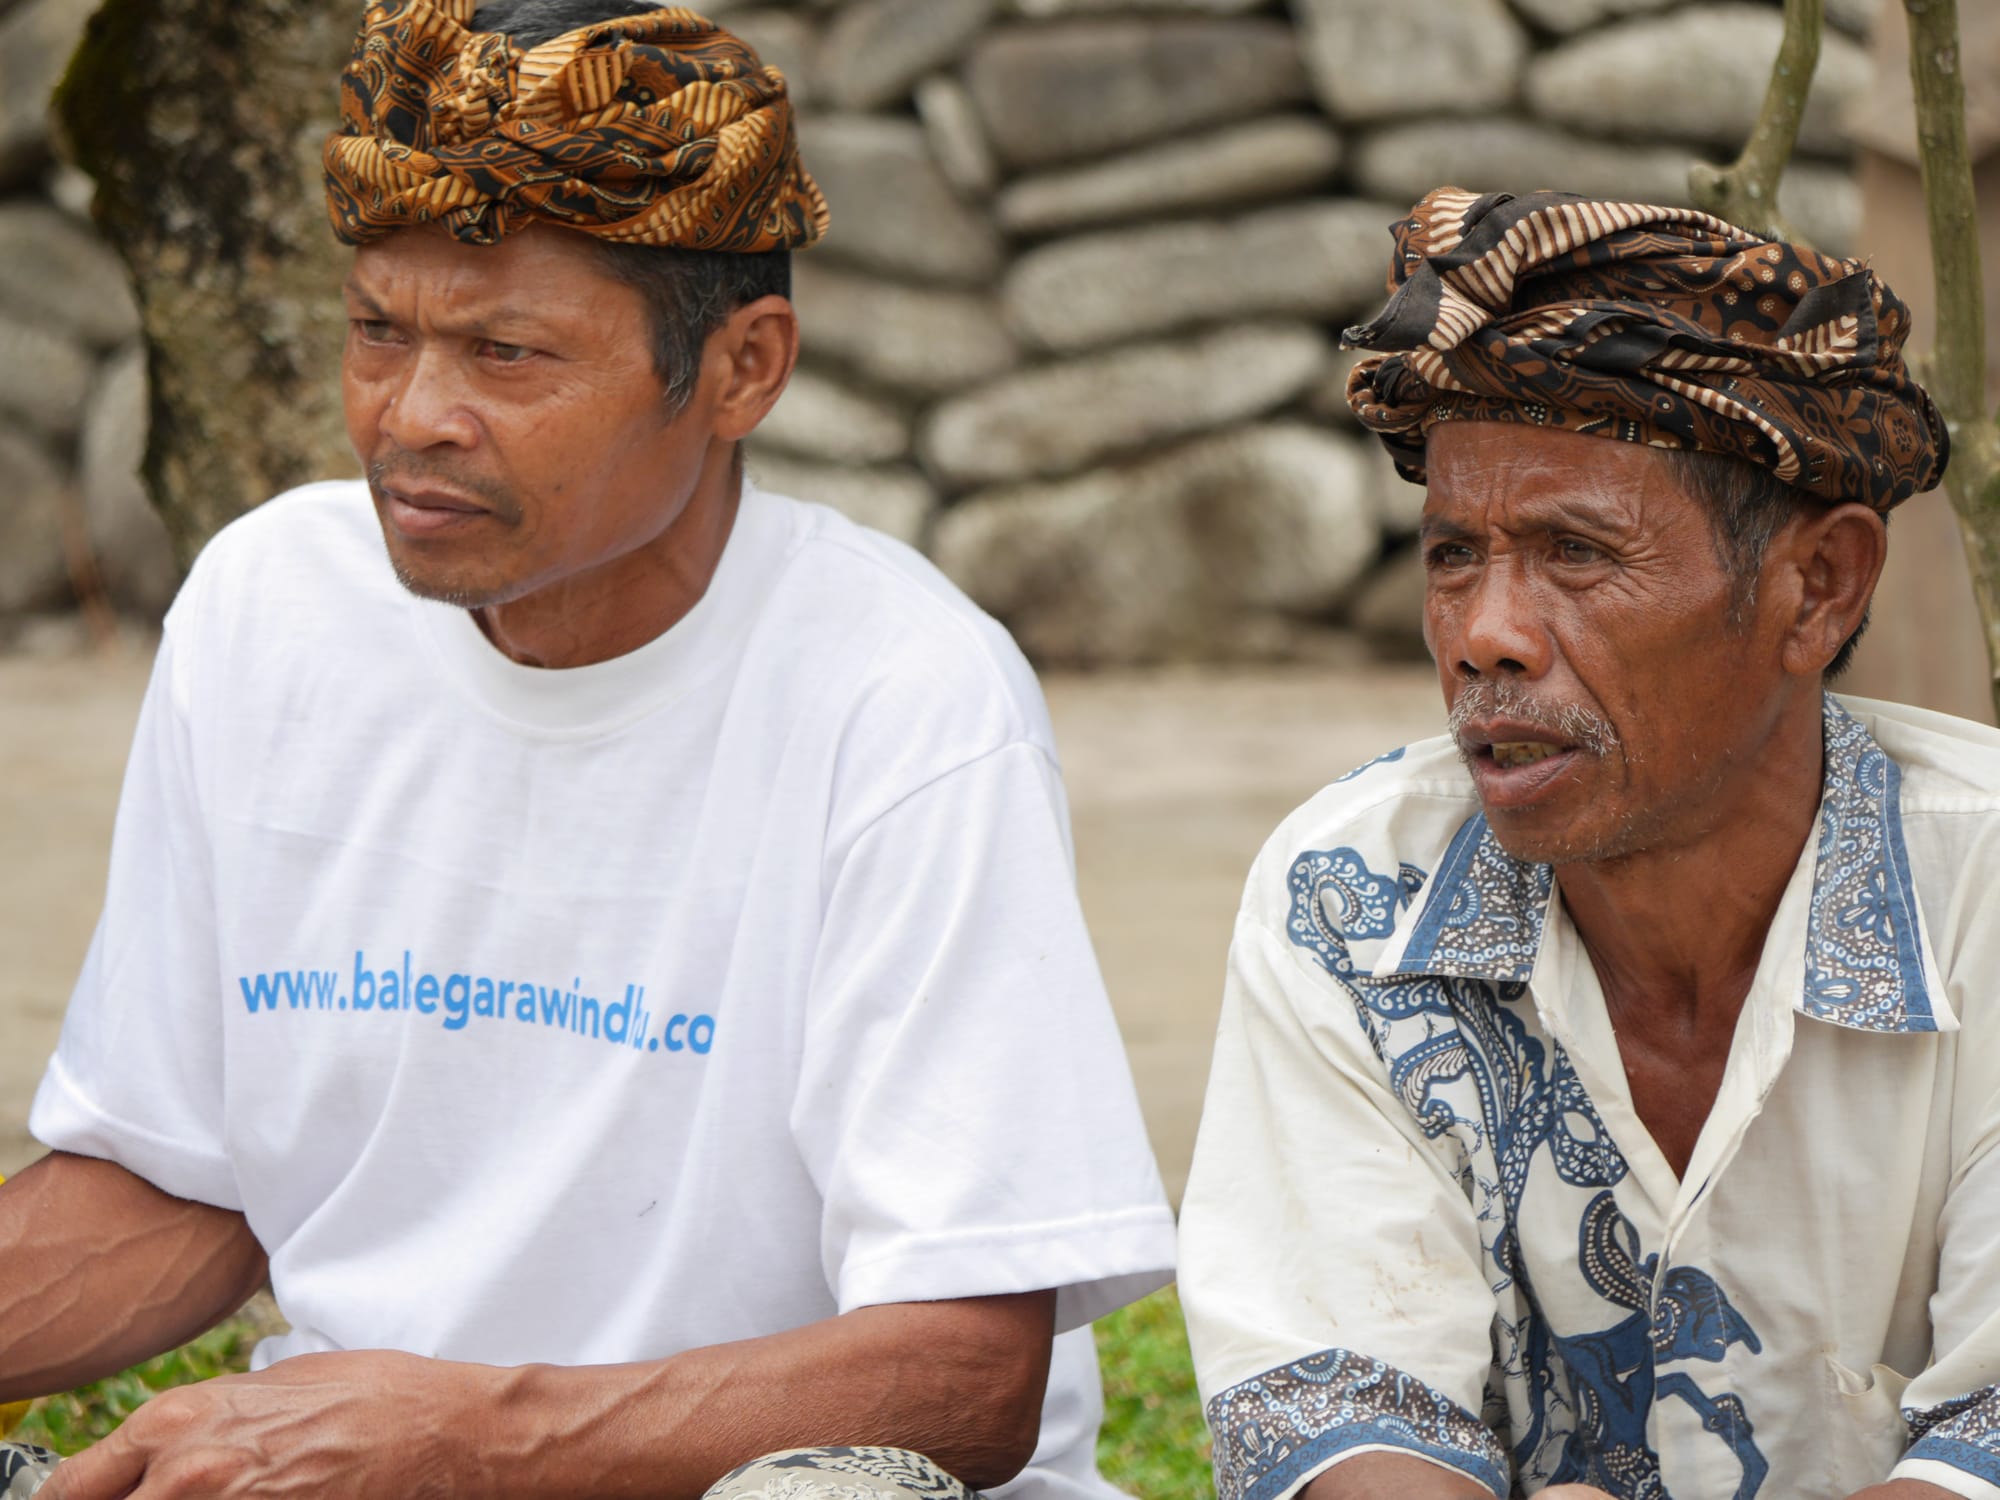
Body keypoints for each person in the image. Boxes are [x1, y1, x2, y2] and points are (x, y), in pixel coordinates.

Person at [0, 4, 1176, 1498]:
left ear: (743, 371)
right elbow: (178, 1192)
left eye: (505, 352)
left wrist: (461, 1437)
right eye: (379, 330)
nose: (411, 416)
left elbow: (965, 1373)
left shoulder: (904, 697)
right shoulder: (267, 611)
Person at [1178, 186, 1994, 1500]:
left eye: (1574, 551)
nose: (1485, 633)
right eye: (1455, 553)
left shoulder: (1989, 900)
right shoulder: (1348, 901)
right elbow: (1342, 1415)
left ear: (1818, 588)